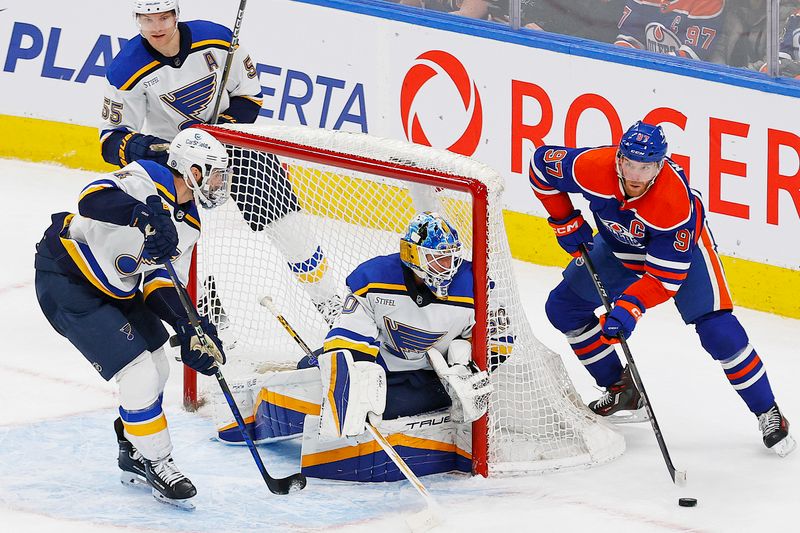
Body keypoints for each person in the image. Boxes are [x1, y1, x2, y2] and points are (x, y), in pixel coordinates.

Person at [529, 121, 795, 457]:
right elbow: (541, 166)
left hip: (682, 257)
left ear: (660, 165)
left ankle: (767, 411)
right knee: (563, 308)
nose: (636, 175)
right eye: (629, 163)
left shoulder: (674, 204)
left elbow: (664, 280)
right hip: (618, 246)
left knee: (719, 332)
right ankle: (622, 389)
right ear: (619, 159)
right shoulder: (593, 167)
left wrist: (630, 307)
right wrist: (563, 218)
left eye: (646, 166)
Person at [99, 0, 341, 326]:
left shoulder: (217, 40)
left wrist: (216, 132)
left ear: (176, 15)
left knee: (290, 228)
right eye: (147, 18)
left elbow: (250, 98)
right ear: (136, 19)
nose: (156, 27)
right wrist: (150, 148)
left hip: (236, 147)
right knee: (173, 241)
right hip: (178, 163)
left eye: (163, 17)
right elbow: (111, 142)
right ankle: (207, 317)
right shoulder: (126, 69)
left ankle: (330, 305)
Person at [34, 128, 232, 508]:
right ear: (192, 170)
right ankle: (158, 461)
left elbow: (160, 281)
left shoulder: (190, 225)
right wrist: (139, 214)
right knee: (138, 372)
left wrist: (189, 326)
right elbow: (90, 199)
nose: (221, 182)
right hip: (68, 278)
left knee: (159, 363)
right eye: (216, 173)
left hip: (116, 286)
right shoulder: (145, 177)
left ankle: (132, 450)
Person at [614, 0, 728, 62]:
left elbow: (692, 58)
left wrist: (647, 65)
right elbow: (630, 39)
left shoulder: (709, 2)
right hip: (649, 75)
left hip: (693, 84)